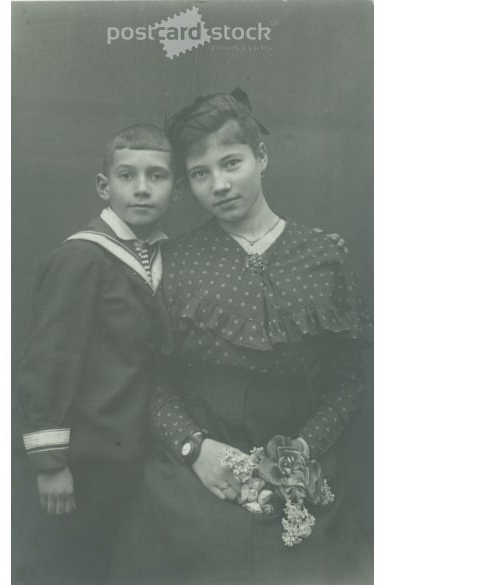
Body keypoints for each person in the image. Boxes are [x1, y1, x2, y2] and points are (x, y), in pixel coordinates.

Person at [111, 91, 373, 585]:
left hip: (305, 468)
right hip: (197, 473)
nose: (220, 184)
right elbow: (154, 380)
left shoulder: (324, 255)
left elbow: (348, 381)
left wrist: (301, 449)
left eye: (231, 163)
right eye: (200, 173)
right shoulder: (176, 262)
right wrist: (195, 449)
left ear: (262, 157)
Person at [16, 124, 179, 583]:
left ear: (176, 188)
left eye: (157, 176)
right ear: (104, 186)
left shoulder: (163, 256)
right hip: (83, 463)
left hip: (135, 460)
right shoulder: (82, 258)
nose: (142, 189)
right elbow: (48, 361)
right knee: (71, 566)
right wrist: (51, 465)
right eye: (127, 176)